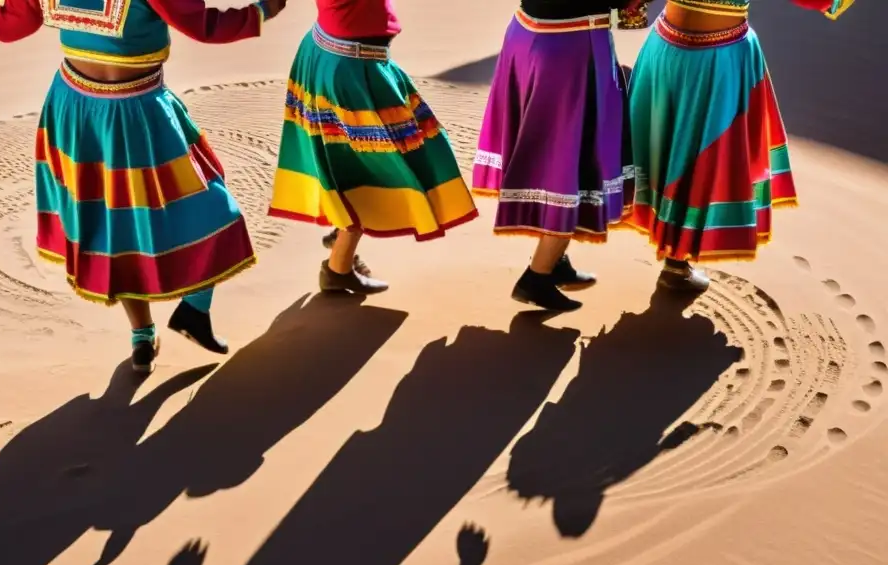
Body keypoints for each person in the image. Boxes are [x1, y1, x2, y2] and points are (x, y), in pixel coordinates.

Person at [0, 0, 287, 373]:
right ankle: (194, 310)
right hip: (136, 111)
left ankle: (142, 334)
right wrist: (260, 12)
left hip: (75, 107)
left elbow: (14, 23)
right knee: (209, 202)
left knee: (112, 223)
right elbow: (203, 27)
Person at [624, 0, 854, 293]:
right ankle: (675, 263)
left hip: (668, 47)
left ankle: (558, 245)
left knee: (667, 148)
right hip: (717, 61)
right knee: (700, 159)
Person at [267, 0, 479, 295]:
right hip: (349, 68)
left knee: (360, 159)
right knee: (379, 163)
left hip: (340, 54)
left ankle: (341, 229)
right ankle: (338, 268)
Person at [472, 1, 653, 313]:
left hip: (529, 36)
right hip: (568, 48)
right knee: (571, 160)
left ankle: (554, 261)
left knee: (560, 157)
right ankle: (537, 276)